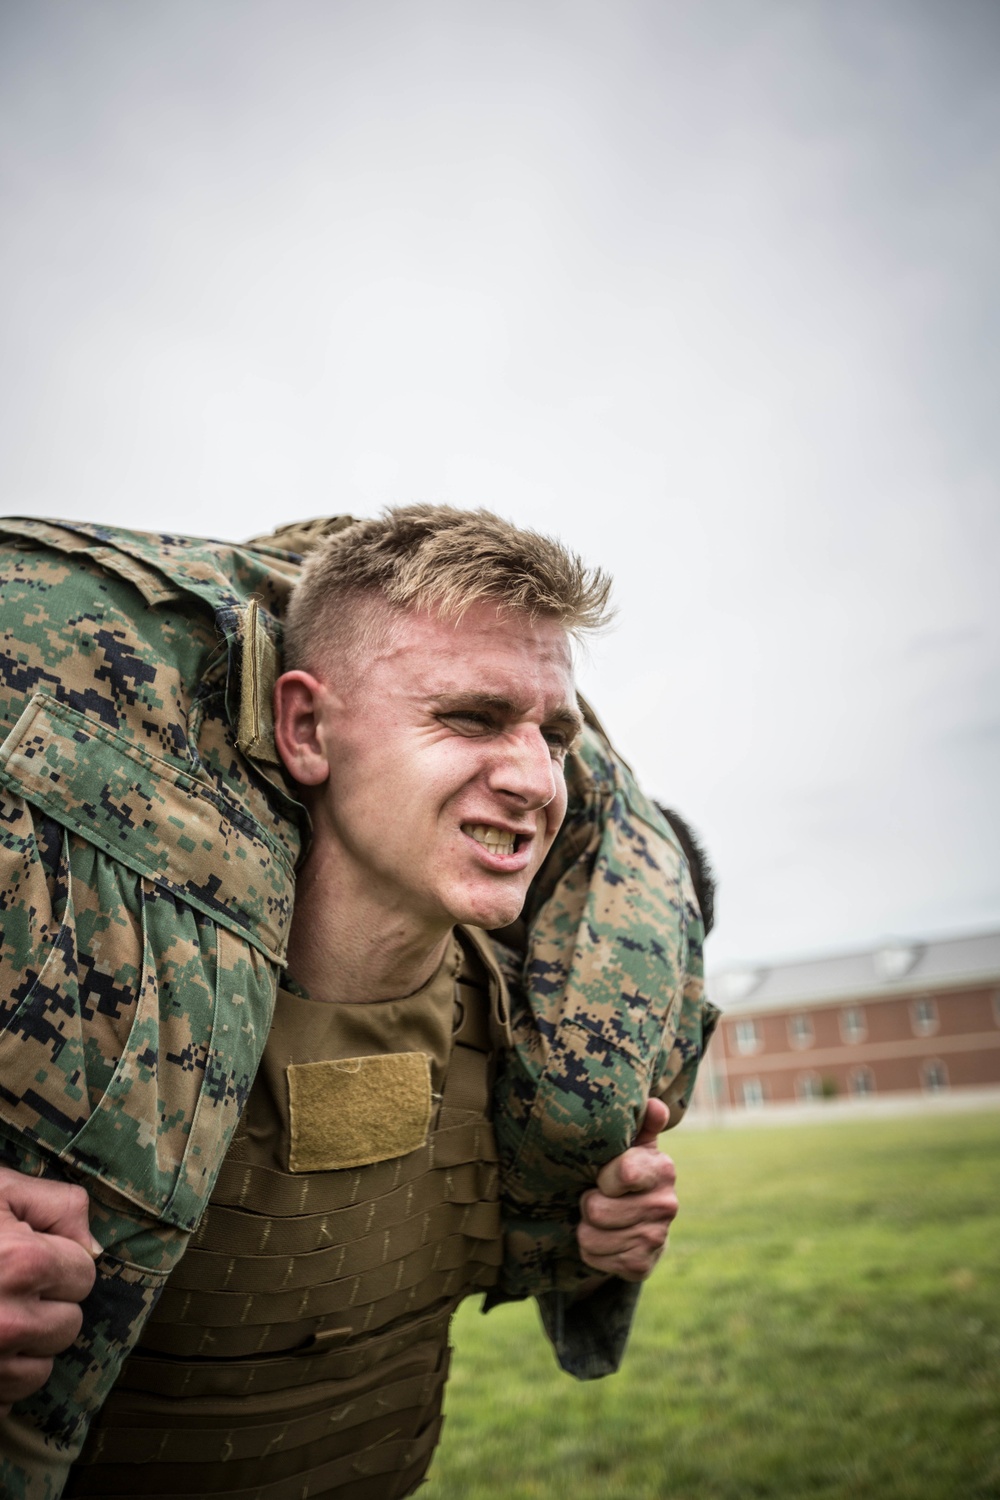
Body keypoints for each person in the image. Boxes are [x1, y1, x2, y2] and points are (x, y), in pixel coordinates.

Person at [0, 507, 712, 1498]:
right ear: (305, 728)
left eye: (552, 734)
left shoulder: (533, 1043)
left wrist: (585, 1244)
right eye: (468, 718)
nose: (533, 779)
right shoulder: (81, 986)